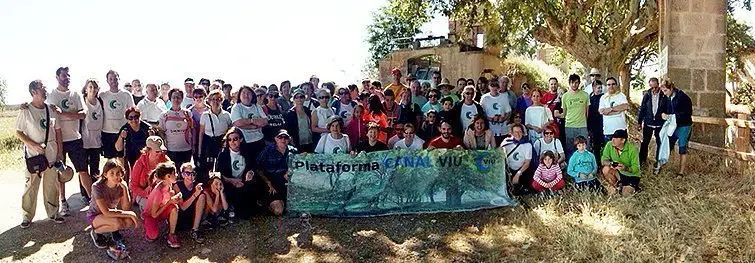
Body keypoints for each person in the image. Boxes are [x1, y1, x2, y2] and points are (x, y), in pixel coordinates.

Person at [17, 80, 66, 228]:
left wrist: (60, 153)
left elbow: (58, 132)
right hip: (34, 156)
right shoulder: (25, 110)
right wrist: (33, 145)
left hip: (51, 154)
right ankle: (27, 216)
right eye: (42, 89)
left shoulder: (51, 109)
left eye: (45, 88)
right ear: (33, 92)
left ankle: (53, 213)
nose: (45, 91)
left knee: (51, 185)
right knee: (31, 186)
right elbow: (18, 132)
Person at [43, 67, 88, 217]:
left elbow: (83, 114)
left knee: (82, 170)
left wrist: (64, 114)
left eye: (68, 76)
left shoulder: (75, 94)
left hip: (75, 138)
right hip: (57, 141)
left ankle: (92, 199)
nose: (66, 78)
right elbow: (40, 108)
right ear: (57, 77)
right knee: (60, 172)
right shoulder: (51, 95)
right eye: (63, 76)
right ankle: (63, 202)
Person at [87, 159, 138, 250]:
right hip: (95, 215)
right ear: (105, 174)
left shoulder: (120, 186)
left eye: (118, 173)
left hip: (110, 213)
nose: (116, 176)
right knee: (117, 223)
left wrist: (125, 188)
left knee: (128, 221)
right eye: (112, 173)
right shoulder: (97, 186)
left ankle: (113, 231)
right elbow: (105, 212)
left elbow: (126, 207)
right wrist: (129, 214)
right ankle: (96, 232)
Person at [216, 127, 257, 219]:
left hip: (244, 181)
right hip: (229, 182)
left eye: (235, 139)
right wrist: (232, 181)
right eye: (229, 140)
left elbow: (253, 167)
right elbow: (219, 173)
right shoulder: (223, 154)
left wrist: (250, 173)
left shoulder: (247, 151)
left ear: (241, 139)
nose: (232, 142)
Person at [256, 130, 298, 215]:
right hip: (272, 184)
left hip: (288, 184)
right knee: (278, 211)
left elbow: (299, 167)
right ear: (275, 139)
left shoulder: (293, 151)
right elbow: (258, 168)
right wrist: (268, 182)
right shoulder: (268, 150)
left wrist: (291, 171)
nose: (283, 140)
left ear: (289, 139)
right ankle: (265, 204)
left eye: (285, 137)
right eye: (280, 137)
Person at [142, 161, 182, 248]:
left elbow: (169, 196)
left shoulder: (168, 184)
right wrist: (169, 202)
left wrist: (173, 197)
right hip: (151, 215)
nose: (176, 175)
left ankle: (171, 234)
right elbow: (154, 214)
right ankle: (147, 225)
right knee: (152, 236)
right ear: (168, 176)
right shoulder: (158, 192)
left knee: (174, 208)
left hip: (160, 211)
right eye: (174, 173)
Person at [100, 70, 136, 161]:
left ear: (119, 79)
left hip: (122, 131)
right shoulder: (103, 95)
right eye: (111, 79)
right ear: (107, 81)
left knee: (122, 159)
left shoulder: (126, 95)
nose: (113, 81)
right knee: (110, 160)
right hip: (107, 131)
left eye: (115, 79)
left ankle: (125, 175)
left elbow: (132, 112)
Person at [660, 78, 693, 177]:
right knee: (668, 144)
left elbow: (687, 113)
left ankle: (681, 172)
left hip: (684, 125)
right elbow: (663, 109)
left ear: (671, 88)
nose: (664, 93)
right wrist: (663, 114)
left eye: (665, 90)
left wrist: (673, 116)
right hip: (672, 126)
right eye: (663, 91)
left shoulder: (683, 97)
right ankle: (666, 167)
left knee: (682, 147)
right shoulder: (667, 97)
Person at [198, 90, 232, 181]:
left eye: (218, 99)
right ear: (209, 101)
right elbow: (201, 133)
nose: (215, 102)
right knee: (208, 168)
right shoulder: (205, 115)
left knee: (221, 166)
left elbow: (230, 130)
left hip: (222, 143)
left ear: (221, 100)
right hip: (209, 143)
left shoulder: (227, 115)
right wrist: (199, 150)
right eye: (213, 99)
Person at [231, 85, 269, 162]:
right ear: (239, 95)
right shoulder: (237, 107)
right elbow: (237, 122)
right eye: (243, 93)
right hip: (245, 142)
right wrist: (253, 122)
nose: (246, 95)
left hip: (259, 140)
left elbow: (265, 121)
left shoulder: (256, 106)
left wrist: (245, 123)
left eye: (249, 93)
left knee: (260, 166)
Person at [130, 136, 170, 208]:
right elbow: (133, 186)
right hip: (143, 195)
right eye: (157, 151)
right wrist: (145, 193)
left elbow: (172, 178)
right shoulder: (139, 163)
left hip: (161, 193)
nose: (160, 153)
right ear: (148, 150)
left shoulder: (166, 161)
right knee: (148, 206)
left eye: (162, 151)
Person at [637, 77, 669, 166]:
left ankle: (658, 161)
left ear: (658, 85)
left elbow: (667, 108)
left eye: (656, 87)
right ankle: (642, 161)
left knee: (660, 142)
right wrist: (639, 122)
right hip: (648, 122)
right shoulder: (647, 95)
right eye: (652, 87)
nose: (654, 89)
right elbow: (642, 108)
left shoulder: (663, 95)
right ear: (650, 86)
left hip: (659, 123)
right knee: (645, 142)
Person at [81, 79, 104, 203]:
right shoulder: (82, 101)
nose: (92, 89)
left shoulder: (100, 102)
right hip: (84, 140)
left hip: (96, 140)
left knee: (95, 168)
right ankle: (85, 194)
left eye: (95, 87)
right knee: (83, 168)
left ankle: (95, 194)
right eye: (90, 87)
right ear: (86, 89)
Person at [115, 107, 152, 182]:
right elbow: (118, 148)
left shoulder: (146, 128)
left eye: (136, 117)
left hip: (144, 157)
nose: (134, 120)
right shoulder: (125, 129)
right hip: (130, 156)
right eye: (130, 118)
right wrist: (121, 137)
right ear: (127, 120)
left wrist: (151, 136)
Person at [159, 88, 194, 166]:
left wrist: (193, 146)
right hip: (171, 150)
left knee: (185, 174)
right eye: (174, 97)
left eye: (178, 97)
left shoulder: (187, 113)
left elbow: (192, 130)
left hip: (186, 149)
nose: (176, 99)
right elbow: (161, 133)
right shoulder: (164, 115)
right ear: (170, 99)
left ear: (182, 99)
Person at [173, 163, 207, 244]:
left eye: (193, 174)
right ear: (182, 175)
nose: (190, 176)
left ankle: (195, 229)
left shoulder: (197, 185)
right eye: (187, 173)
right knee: (200, 195)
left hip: (193, 216)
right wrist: (195, 194)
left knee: (202, 196)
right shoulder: (177, 186)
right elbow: (183, 207)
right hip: (181, 217)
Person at [600, 129, 640, 196]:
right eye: (613, 137)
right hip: (618, 172)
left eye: (616, 138)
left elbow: (636, 168)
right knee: (606, 169)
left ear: (622, 140)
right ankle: (616, 186)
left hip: (631, 175)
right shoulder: (609, 145)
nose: (613, 140)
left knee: (625, 194)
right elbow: (603, 160)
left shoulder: (632, 149)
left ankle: (632, 187)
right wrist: (612, 164)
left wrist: (625, 168)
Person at [562, 73, 590, 159]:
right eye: (572, 82)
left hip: (582, 126)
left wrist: (585, 123)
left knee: (584, 147)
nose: (574, 84)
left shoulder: (585, 95)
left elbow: (587, 112)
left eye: (576, 82)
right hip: (569, 126)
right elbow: (564, 113)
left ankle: (585, 164)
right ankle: (571, 167)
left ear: (579, 83)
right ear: (569, 83)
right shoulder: (565, 96)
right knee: (570, 148)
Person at [501, 124, 533, 195]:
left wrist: (518, 174)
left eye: (520, 132)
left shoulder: (527, 145)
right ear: (511, 133)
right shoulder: (506, 142)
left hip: (522, 170)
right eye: (515, 132)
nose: (518, 134)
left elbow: (527, 163)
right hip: (509, 170)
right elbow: (501, 157)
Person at [480, 80, 512, 145]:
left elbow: (508, 111)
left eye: (496, 86)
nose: (494, 88)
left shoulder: (504, 97)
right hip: (489, 130)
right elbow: (481, 113)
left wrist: (503, 119)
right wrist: (490, 119)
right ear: (488, 86)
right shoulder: (485, 98)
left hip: (503, 130)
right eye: (492, 85)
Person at [189, 88, 209, 160]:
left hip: (206, 137)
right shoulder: (190, 110)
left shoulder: (209, 109)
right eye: (196, 97)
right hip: (194, 138)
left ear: (204, 96)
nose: (198, 98)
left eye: (200, 96)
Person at [587, 80, 605, 161]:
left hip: (603, 125)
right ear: (593, 88)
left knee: (605, 145)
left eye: (601, 88)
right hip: (593, 126)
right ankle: (597, 163)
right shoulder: (590, 99)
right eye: (598, 88)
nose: (600, 89)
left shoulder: (604, 98)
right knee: (595, 147)